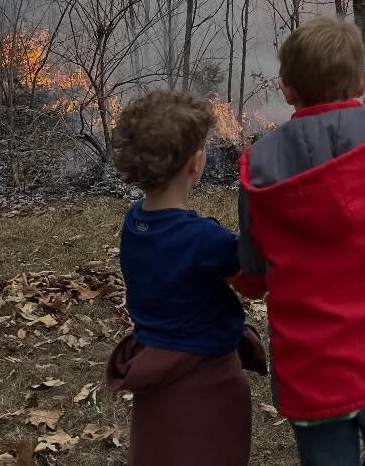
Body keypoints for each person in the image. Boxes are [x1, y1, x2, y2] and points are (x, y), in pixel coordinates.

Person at [238, 17, 365, 466]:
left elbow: (253, 275)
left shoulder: (259, 165)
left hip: (311, 372)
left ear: (287, 89)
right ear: (364, 81)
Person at [106, 91, 266, 466]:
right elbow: (251, 282)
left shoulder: (134, 223)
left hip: (152, 366)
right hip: (206, 373)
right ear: (195, 163)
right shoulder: (205, 239)